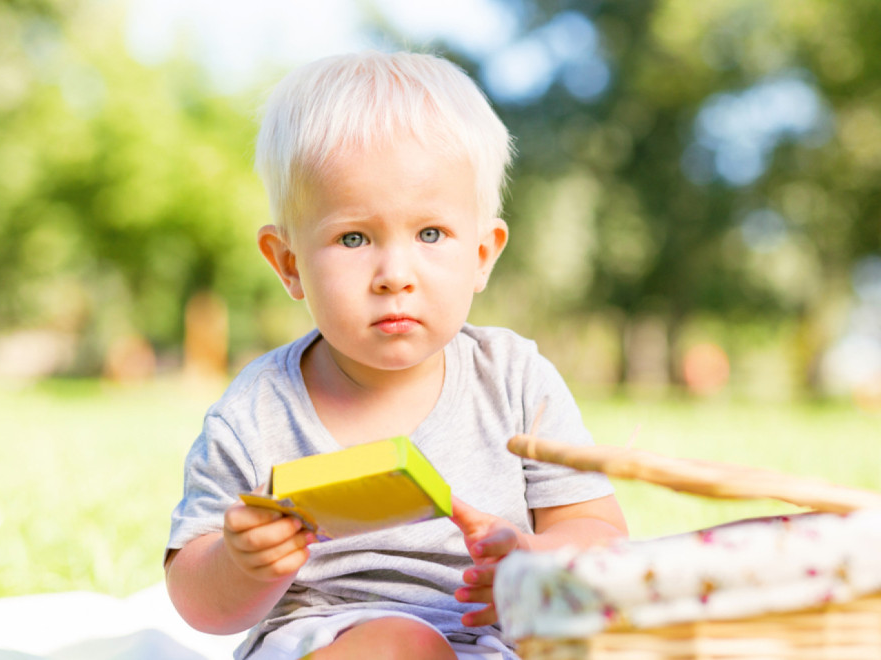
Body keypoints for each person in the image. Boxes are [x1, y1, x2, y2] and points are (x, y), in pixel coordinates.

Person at [164, 50, 628, 660]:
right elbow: (198, 602)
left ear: (484, 253)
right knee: (402, 646)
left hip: (500, 642)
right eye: (353, 237)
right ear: (289, 262)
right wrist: (240, 564)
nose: (395, 274)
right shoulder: (255, 411)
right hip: (330, 639)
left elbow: (603, 539)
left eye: (430, 234)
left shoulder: (515, 380)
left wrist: (534, 558)